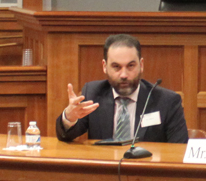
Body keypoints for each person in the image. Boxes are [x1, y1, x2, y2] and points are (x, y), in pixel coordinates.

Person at [56, 33, 189, 143]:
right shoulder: (93, 93)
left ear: (141, 65)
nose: (124, 75)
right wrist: (69, 118)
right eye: (116, 67)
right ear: (104, 66)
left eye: (130, 66)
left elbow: (179, 150)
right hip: (105, 171)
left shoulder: (167, 101)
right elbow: (66, 136)